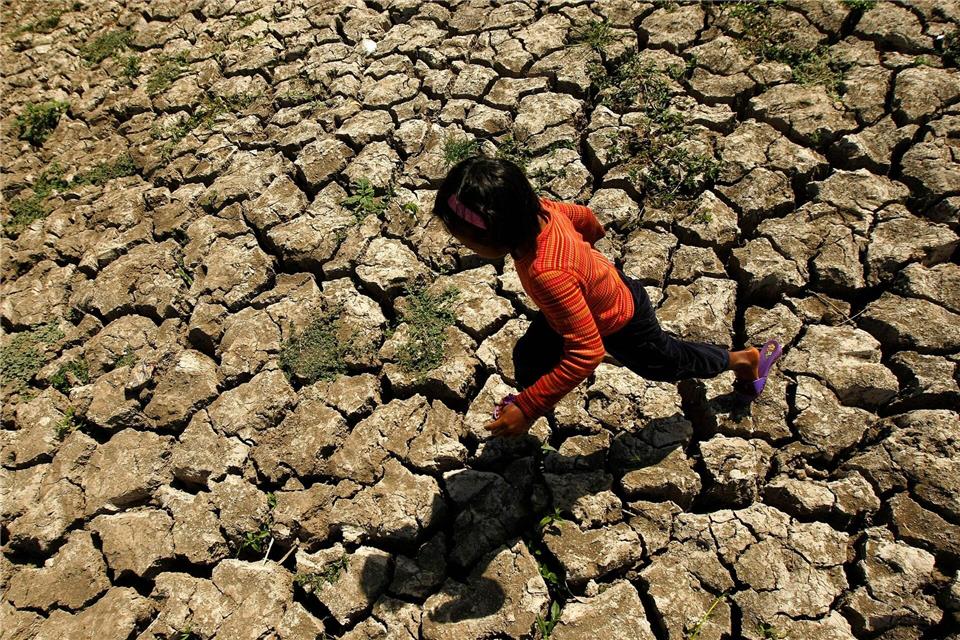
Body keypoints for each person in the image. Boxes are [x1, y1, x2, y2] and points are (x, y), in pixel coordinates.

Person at [433, 156, 781, 438]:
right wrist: (587, 259)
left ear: (499, 235)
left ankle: (743, 360)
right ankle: (527, 399)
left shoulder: (547, 274)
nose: (463, 245)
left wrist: (529, 408)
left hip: (622, 321)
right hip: (584, 301)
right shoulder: (542, 210)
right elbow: (585, 218)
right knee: (530, 357)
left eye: (465, 240)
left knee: (668, 363)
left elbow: (587, 353)